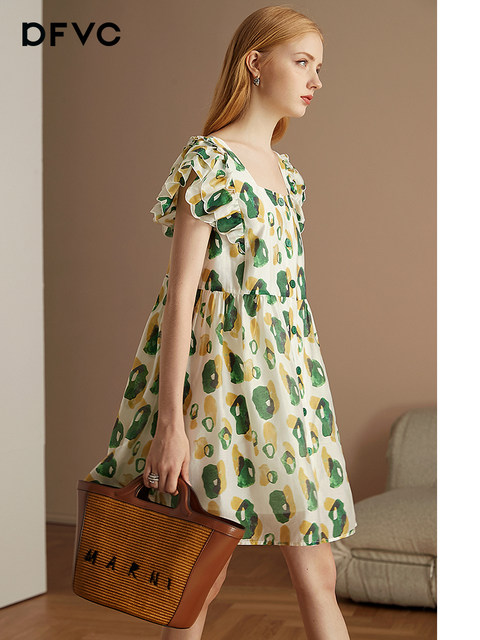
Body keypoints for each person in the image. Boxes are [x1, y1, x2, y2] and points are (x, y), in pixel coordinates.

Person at [84, 5, 357, 639]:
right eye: (302, 62)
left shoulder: (288, 177)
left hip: (289, 388)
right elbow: (180, 299)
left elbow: (286, 304)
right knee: (197, 573)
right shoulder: (209, 162)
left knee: (318, 571)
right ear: (255, 62)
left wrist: (305, 396)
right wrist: (170, 426)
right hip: (217, 391)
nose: (315, 80)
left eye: (319, 67)